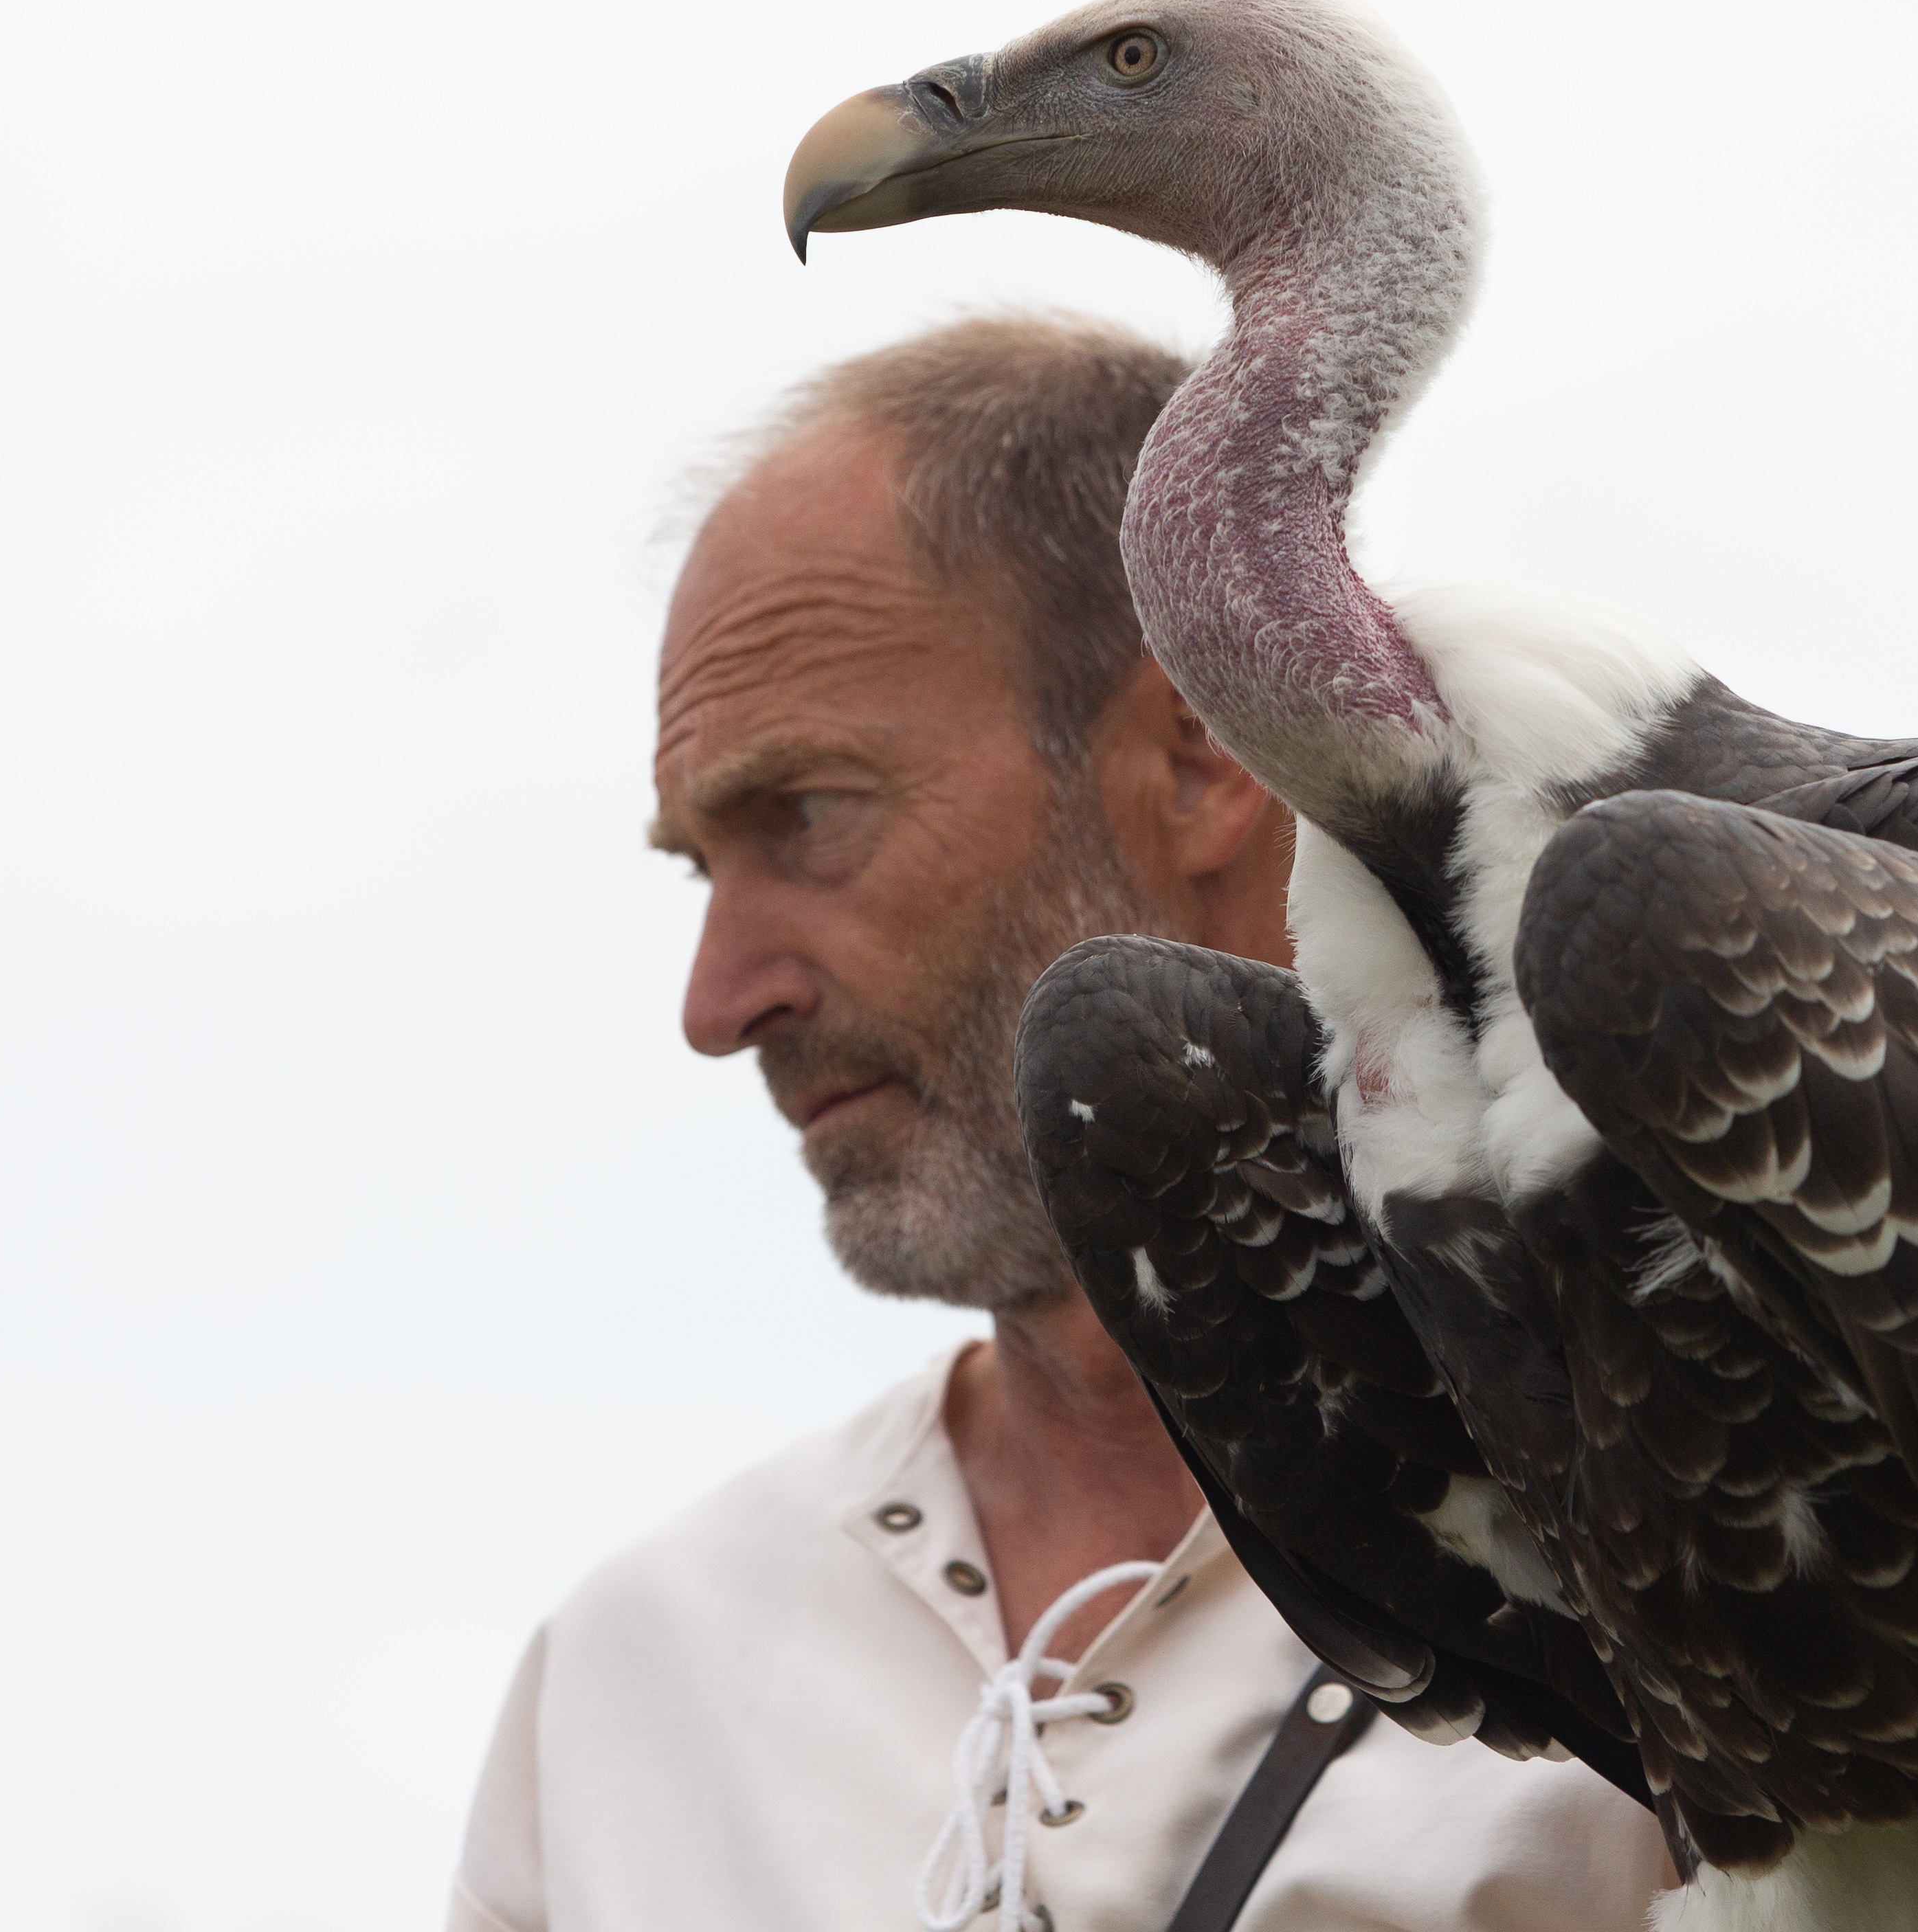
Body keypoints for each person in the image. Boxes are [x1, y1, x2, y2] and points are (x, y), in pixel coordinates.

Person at [449, 313, 1669, 1932]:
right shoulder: (628, 1687)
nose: (718, 1000)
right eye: (700, 866)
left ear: (1201, 754)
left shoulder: (1715, 1552)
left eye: (805, 814)